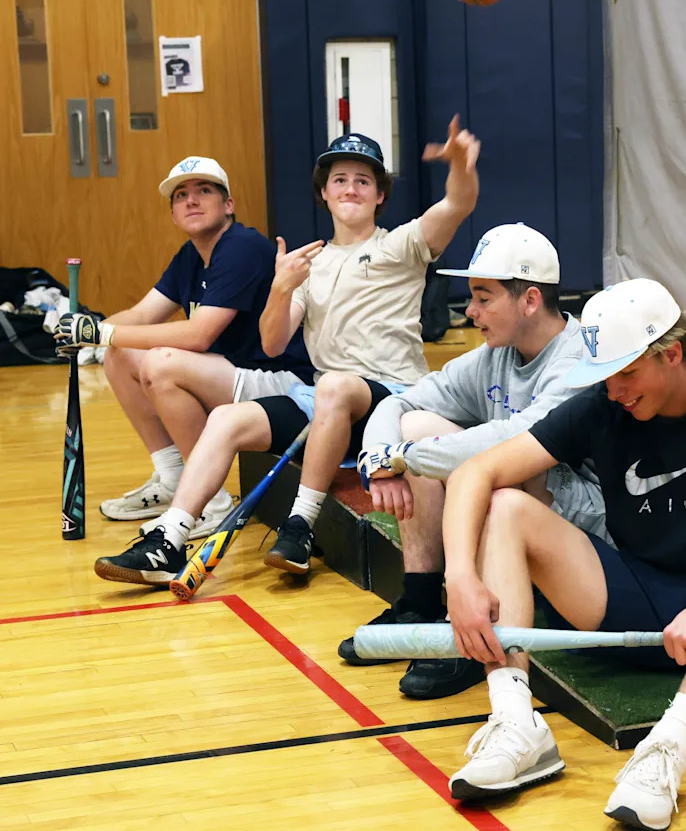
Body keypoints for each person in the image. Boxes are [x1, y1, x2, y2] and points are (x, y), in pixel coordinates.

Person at [440, 278, 686, 831]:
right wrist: (459, 578)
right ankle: (516, 722)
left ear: (671, 354)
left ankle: (669, 742)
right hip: (645, 608)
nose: (614, 390)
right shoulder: (604, 407)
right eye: (605, 376)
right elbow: (478, 471)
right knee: (503, 507)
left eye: (626, 373)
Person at [93, 119, 480, 586]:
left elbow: (457, 203)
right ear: (324, 193)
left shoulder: (404, 244)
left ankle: (300, 525)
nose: (350, 188)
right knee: (227, 420)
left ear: (380, 195)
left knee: (334, 386)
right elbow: (273, 341)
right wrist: (280, 287)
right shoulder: (306, 263)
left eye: (363, 180)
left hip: (392, 400)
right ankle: (171, 540)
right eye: (340, 179)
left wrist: (460, 164)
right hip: (325, 404)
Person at [346, 223, 608, 700]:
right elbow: (399, 403)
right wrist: (377, 457)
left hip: (588, 532)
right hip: (523, 504)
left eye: (484, 298)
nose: (470, 311)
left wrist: (403, 461)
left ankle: (476, 638)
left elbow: (519, 438)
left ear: (530, 300)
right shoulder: (495, 354)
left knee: (503, 474)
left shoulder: (576, 362)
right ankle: (421, 602)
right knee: (420, 427)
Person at [55, 157, 313, 540]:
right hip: (231, 372)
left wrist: (102, 333)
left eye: (204, 191)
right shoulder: (191, 256)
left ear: (228, 205)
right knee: (120, 356)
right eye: (181, 196)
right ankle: (176, 479)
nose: (191, 201)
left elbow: (198, 336)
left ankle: (212, 501)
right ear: (173, 213)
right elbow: (144, 314)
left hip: (282, 382)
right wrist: (81, 329)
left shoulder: (240, 247)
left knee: (162, 365)